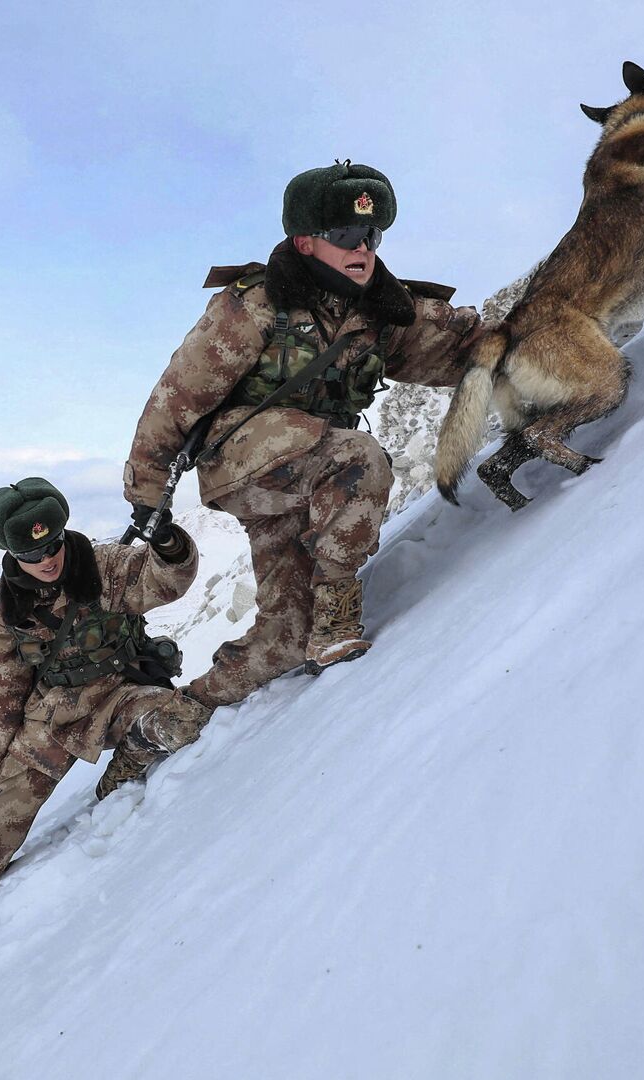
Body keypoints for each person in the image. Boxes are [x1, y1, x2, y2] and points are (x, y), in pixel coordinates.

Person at [124, 161, 486, 705]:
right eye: (344, 235)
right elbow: (177, 396)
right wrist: (146, 494)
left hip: (311, 478)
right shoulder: (254, 306)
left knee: (286, 636)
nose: (362, 247)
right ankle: (337, 612)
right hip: (245, 462)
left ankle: (178, 716)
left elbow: (458, 353)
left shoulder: (385, 313)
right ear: (306, 242)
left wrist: (536, 339)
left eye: (372, 234)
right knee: (358, 456)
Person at [0, 477, 207, 919]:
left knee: (180, 721)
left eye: (53, 547)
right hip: (50, 721)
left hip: (119, 694)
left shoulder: (103, 565)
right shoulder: (1, 612)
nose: (46, 560)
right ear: (11, 555)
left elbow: (168, 580)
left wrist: (165, 539)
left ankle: (122, 772)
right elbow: (3, 694)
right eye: (31, 555)